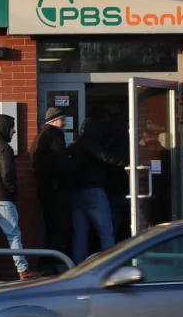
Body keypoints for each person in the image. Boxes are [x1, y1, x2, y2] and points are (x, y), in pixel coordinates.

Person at [0, 114, 40, 282]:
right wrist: (13, 191)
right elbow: (7, 175)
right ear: (5, 128)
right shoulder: (5, 148)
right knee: (14, 235)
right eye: (12, 127)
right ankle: (23, 270)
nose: (14, 131)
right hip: (2, 199)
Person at [69, 116, 127, 264]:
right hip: (93, 191)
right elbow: (105, 157)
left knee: (80, 234)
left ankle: (77, 267)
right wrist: (125, 164)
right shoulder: (92, 143)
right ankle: (109, 265)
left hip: (76, 193)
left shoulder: (74, 145)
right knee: (106, 232)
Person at [32, 107, 73, 275]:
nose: (65, 123)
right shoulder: (55, 136)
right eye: (63, 120)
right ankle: (54, 264)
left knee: (49, 227)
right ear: (54, 120)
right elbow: (62, 164)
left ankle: (46, 263)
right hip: (55, 190)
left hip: (44, 189)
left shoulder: (40, 136)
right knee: (58, 228)